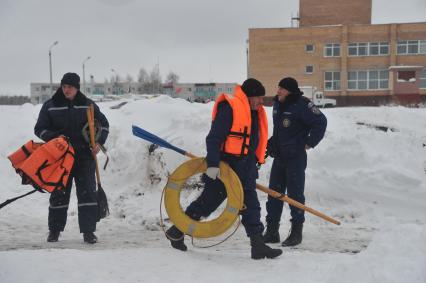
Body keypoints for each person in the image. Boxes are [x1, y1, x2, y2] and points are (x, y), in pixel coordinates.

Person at [166, 78, 282, 260]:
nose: (261, 102)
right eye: (259, 97)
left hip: (246, 168)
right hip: (226, 167)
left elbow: (250, 144)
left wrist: (254, 165)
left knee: (251, 205)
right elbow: (213, 139)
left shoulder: (254, 112)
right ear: (250, 96)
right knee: (207, 203)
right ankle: (176, 230)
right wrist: (213, 166)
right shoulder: (229, 109)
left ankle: (257, 245)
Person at [34, 72, 109, 244]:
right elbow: (39, 129)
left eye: (70, 87)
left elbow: (104, 124)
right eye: (64, 86)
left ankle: (88, 232)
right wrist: (55, 139)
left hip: (84, 156)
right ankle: (54, 230)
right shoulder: (51, 105)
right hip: (61, 158)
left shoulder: (88, 105)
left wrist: (98, 142)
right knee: (59, 194)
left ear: (77, 88)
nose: (66, 90)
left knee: (88, 194)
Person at [263, 77, 327, 247]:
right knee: (274, 194)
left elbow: (321, 122)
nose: (278, 91)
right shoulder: (278, 104)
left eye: (282, 89)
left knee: (295, 195)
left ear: (290, 91)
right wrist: (272, 143)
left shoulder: (302, 104)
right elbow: (281, 129)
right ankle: (272, 231)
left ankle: (296, 232)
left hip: (295, 158)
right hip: (280, 157)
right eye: (278, 88)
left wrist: (309, 142)